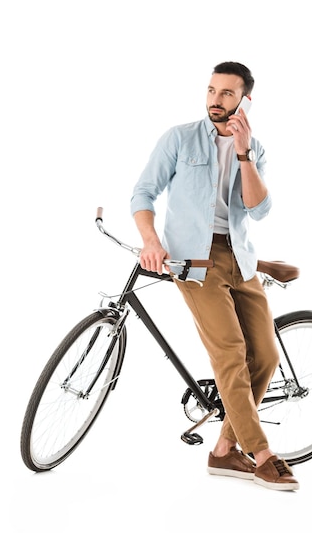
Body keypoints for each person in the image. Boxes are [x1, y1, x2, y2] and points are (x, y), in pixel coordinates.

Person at [130, 61, 299, 491]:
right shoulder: (180, 138)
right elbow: (143, 193)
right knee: (231, 353)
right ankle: (261, 454)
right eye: (211, 90)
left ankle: (224, 451)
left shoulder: (255, 148)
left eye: (226, 93)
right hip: (193, 262)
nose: (215, 100)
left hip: (239, 259)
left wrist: (242, 152)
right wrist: (151, 240)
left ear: (245, 99)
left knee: (265, 356)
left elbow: (259, 210)